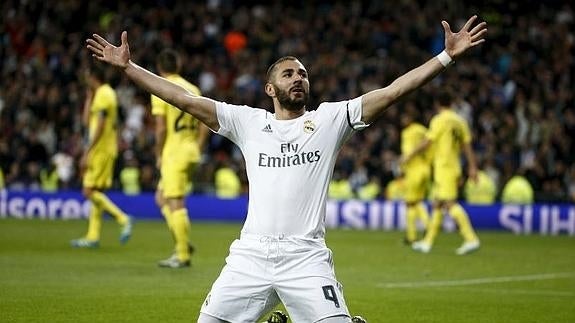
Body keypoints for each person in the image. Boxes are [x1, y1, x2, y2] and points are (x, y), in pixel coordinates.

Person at [86, 15, 486, 322]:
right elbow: (185, 100)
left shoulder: (330, 121)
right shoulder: (248, 122)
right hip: (250, 257)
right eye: (289, 74)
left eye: (303, 74)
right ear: (270, 89)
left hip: (305, 259)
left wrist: (446, 56)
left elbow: (394, 91)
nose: (299, 78)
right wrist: (128, 68)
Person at [151, 49, 210, 268]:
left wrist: (158, 153)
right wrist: (198, 145)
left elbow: (160, 129)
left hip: (174, 152)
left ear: (160, 68)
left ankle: (183, 254)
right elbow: (205, 119)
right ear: (178, 65)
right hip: (191, 150)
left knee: (175, 201)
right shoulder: (193, 88)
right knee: (161, 197)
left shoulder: (160, 87)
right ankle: (182, 238)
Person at [406, 89, 481, 255]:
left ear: (437, 104)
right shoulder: (460, 121)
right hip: (455, 166)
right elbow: (467, 146)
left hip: (444, 167)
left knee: (449, 203)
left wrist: (409, 155)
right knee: (438, 204)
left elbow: (427, 142)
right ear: (451, 103)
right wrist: (472, 166)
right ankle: (427, 242)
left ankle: (471, 238)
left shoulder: (439, 120)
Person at [71, 64, 133, 248]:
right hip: (101, 149)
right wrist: (89, 97)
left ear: (92, 76)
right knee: (96, 192)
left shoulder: (105, 93)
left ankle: (123, 218)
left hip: (101, 149)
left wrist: (87, 150)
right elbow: (86, 121)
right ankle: (92, 236)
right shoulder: (98, 94)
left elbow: (100, 125)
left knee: (88, 191)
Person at [398, 110, 431, 245]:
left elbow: (407, 153)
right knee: (416, 201)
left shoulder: (407, 133)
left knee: (410, 203)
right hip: (425, 169)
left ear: (410, 118)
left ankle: (420, 232)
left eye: (405, 117)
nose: (403, 120)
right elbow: (430, 142)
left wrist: (403, 160)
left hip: (414, 171)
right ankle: (413, 235)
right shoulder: (422, 129)